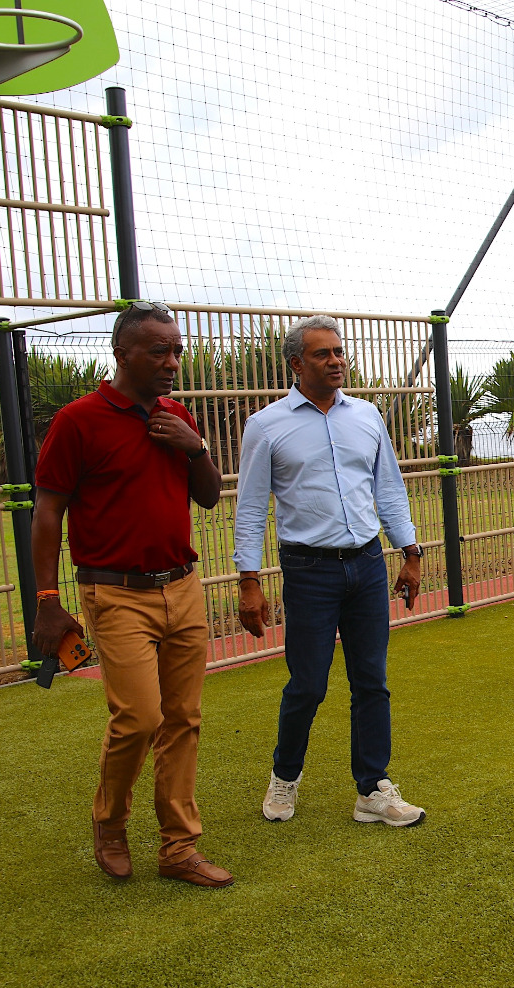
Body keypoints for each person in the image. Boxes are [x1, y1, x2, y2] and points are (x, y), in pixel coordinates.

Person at [31, 301, 233, 888]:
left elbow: (209, 497)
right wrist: (47, 600)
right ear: (122, 354)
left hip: (183, 586)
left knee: (183, 718)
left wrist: (194, 445)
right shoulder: (79, 421)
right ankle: (111, 822)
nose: (172, 362)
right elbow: (47, 512)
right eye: (158, 351)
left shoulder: (176, 415)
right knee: (139, 718)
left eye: (177, 350)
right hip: (115, 593)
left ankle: (179, 847)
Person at [234, 314, 428, 828]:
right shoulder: (267, 426)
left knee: (372, 681)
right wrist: (249, 581)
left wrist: (410, 552)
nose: (336, 360)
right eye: (322, 354)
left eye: (339, 351)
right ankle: (285, 776)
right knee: (308, 685)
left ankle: (372, 788)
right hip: (308, 570)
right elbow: (250, 508)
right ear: (296, 364)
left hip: (367, 564)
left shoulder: (366, 416)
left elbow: (389, 489)